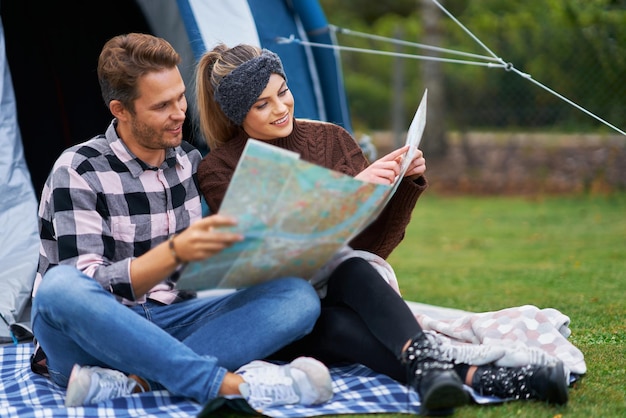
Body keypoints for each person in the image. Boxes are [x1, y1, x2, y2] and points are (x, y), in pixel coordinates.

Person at [194, 43, 569, 415]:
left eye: (283, 92)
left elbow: (372, 247)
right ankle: (474, 377)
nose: (280, 108)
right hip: (282, 309)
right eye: (262, 104)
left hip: (345, 283)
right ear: (237, 112)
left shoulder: (331, 140)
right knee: (333, 324)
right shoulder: (219, 169)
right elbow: (265, 258)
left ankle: (431, 369)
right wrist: (350, 193)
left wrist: (401, 186)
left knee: (354, 267)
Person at [29, 33, 334, 413]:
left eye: (180, 97)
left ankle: (136, 382)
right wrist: (176, 252)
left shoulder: (188, 162)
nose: (179, 113)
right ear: (120, 110)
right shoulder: (78, 169)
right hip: (91, 338)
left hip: (170, 321)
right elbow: (90, 287)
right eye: (161, 106)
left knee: (295, 296)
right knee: (59, 288)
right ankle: (226, 385)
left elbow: (197, 276)